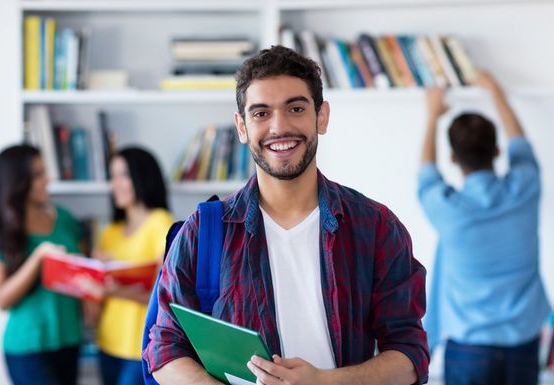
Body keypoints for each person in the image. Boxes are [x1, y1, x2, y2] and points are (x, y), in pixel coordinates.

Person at [143, 45, 429, 385]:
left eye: (295, 108)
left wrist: (324, 381)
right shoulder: (203, 230)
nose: (279, 127)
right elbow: (164, 350)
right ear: (242, 126)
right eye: (261, 113)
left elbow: (410, 356)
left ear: (321, 116)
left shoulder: (376, 227)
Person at [418, 71, 550, 385]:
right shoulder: (526, 188)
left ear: (453, 157)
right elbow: (521, 144)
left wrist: (432, 116)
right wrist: (495, 91)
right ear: (497, 151)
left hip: (469, 347)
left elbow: (426, 173)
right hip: (523, 343)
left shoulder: (447, 209)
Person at [0, 144, 84, 385]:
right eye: (37, 175)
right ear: (16, 182)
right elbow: (1, 299)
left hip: (70, 340)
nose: (47, 179)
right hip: (28, 348)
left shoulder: (65, 220)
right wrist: (38, 258)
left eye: (44, 172)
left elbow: (79, 270)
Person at [94, 147, 175, 385]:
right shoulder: (109, 232)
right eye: (112, 176)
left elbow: (164, 296)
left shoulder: (161, 224)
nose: (114, 184)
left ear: (142, 177)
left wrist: (115, 290)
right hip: (106, 342)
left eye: (123, 175)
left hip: (139, 346)